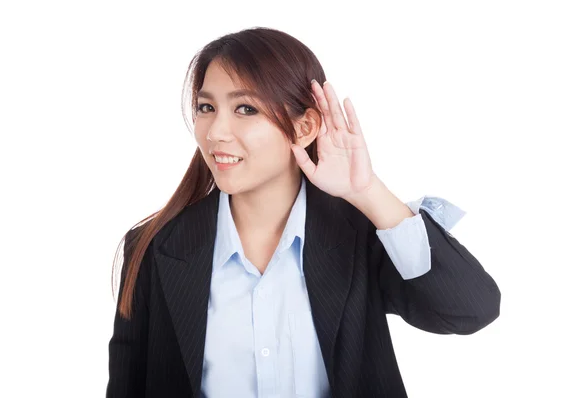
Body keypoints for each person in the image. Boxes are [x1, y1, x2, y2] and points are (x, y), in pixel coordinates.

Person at [106, 26, 501, 398]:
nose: (215, 132)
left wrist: (368, 192)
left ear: (305, 126)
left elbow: (470, 311)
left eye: (245, 109)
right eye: (206, 107)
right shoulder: (154, 248)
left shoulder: (359, 235)